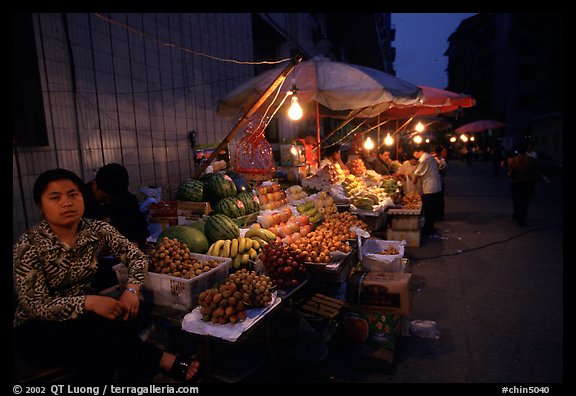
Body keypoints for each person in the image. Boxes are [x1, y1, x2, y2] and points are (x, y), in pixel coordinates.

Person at [13, 168, 200, 383]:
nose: (66, 203)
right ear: (41, 206)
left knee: (120, 323)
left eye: (73, 194)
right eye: (55, 198)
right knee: (101, 338)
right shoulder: (29, 245)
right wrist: (88, 302)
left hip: (88, 319)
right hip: (38, 328)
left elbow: (136, 256)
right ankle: (164, 361)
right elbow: (36, 305)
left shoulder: (96, 230)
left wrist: (132, 289)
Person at [84, 163, 150, 290]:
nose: (108, 203)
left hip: (122, 263)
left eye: (112, 199)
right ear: (94, 184)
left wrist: (136, 242)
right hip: (94, 269)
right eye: (104, 198)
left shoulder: (126, 199)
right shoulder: (82, 202)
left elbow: (139, 226)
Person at [506, 143, 539, 226]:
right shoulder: (531, 160)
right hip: (527, 182)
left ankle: (517, 214)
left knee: (516, 199)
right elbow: (534, 171)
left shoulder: (512, 159)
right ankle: (523, 217)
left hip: (515, 182)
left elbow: (509, 170)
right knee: (525, 201)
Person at [412, 145, 443, 235]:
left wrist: (413, 183)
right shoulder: (429, 156)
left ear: (418, 152)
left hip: (430, 187)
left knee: (428, 208)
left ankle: (429, 228)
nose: (414, 156)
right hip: (434, 186)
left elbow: (417, 174)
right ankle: (430, 226)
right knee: (430, 208)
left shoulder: (423, 159)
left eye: (415, 154)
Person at [432, 146, 447, 220]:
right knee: (436, 199)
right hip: (436, 182)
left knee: (439, 199)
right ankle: (436, 214)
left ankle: (439, 215)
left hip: (439, 181)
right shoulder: (433, 159)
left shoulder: (442, 160)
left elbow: (443, 170)